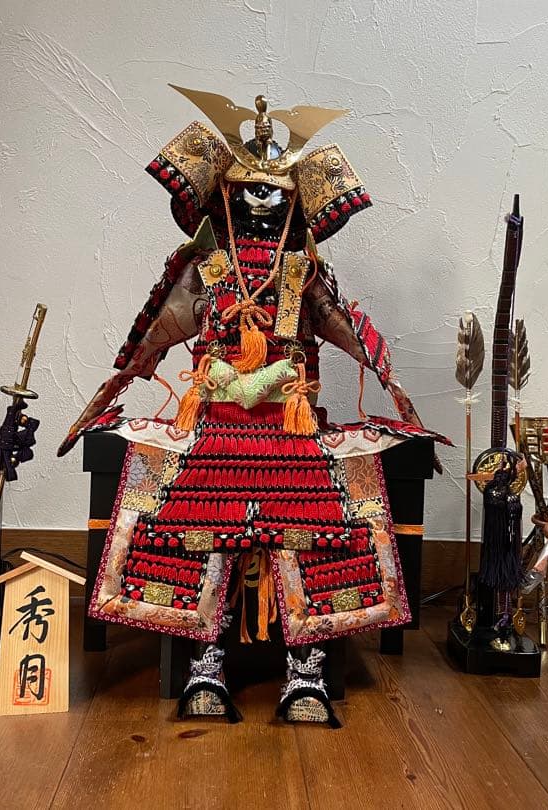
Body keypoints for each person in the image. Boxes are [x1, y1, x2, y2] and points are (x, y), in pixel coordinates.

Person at [58, 85, 446, 725]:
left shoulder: (302, 272)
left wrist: (397, 394)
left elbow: (347, 327)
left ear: (297, 198)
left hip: (292, 430)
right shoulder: (204, 268)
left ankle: (307, 668)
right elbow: (151, 336)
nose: (262, 199)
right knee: (194, 522)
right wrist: (111, 391)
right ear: (223, 193)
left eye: (275, 190)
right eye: (248, 189)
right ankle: (204, 663)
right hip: (214, 426)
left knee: (318, 522)